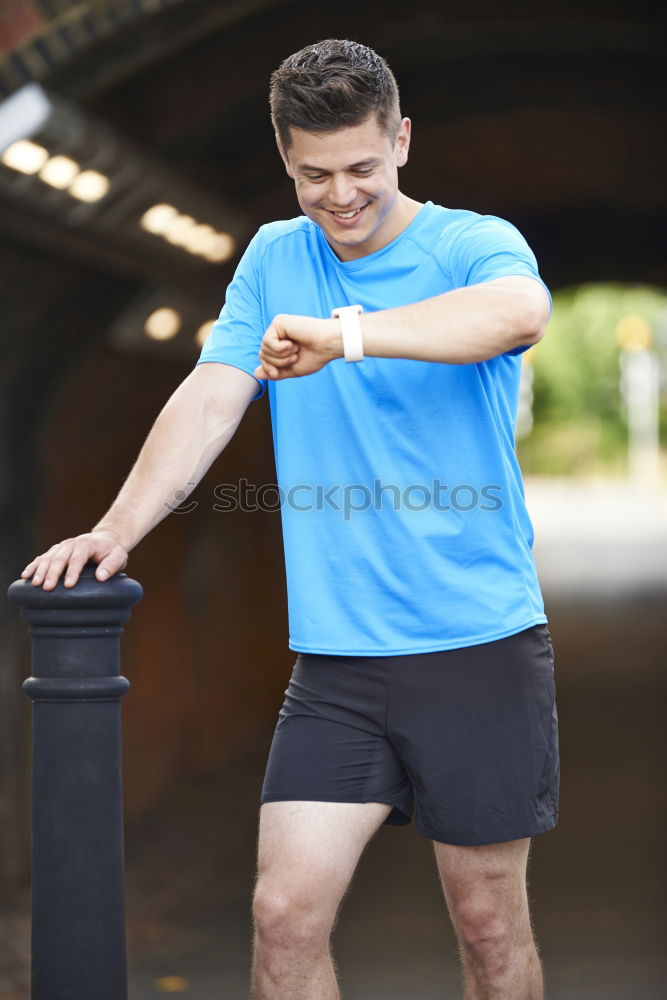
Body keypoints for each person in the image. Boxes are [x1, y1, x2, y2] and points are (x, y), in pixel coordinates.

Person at [22, 38, 559, 1000]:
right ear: (283, 159)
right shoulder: (275, 257)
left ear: (400, 139)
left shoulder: (470, 243)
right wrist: (118, 527)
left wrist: (344, 335)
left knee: (486, 927)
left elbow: (517, 314)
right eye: (315, 174)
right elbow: (211, 393)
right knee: (282, 918)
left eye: (362, 167)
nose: (341, 194)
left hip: (475, 643)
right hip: (337, 662)